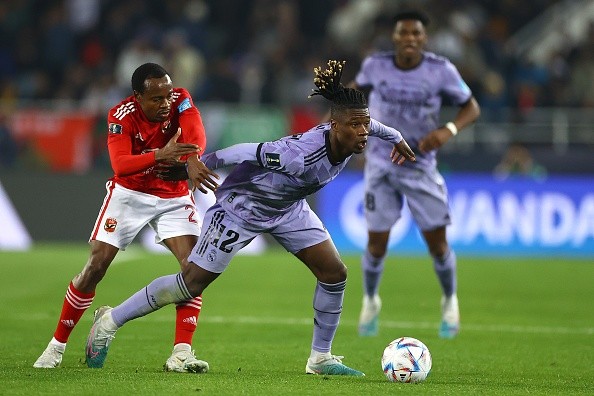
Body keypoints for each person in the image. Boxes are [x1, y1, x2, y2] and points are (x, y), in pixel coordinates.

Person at [83, 60, 416, 376]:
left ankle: (320, 358)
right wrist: (197, 163)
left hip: (288, 209)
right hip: (241, 209)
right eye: (355, 126)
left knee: (334, 272)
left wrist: (397, 138)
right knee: (190, 284)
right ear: (335, 125)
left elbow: (376, 126)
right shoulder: (297, 156)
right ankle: (111, 321)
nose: (363, 132)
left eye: (365, 125)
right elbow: (245, 151)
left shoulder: (354, 130)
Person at [34, 63, 217, 373]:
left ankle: (181, 353)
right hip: (129, 195)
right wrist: (161, 154)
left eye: (168, 96)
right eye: (156, 99)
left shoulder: (181, 99)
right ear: (137, 98)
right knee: (95, 266)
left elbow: (195, 128)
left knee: (194, 271)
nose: (165, 104)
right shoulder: (121, 115)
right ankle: (57, 345)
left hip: (172, 196)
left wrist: (193, 157)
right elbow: (120, 164)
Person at [352, 10, 481, 339]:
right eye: (403, 33)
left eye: (416, 34)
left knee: (437, 245)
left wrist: (447, 130)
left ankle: (450, 300)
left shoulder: (441, 71)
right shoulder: (374, 66)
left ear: (425, 39)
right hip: (381, 163)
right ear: (394, 37)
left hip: (421, 165)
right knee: (376, 244)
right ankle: (370, 300)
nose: (409, 39)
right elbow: (353, 96)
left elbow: (472, 107)